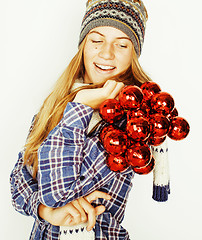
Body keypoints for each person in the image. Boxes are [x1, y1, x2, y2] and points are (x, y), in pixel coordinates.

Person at [10, 0, 170, 239]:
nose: (106, 53)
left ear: (133, 56)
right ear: (83, 45)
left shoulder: (130, 124)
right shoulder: (57, 104)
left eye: (122, 45)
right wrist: (45, 212)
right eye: (96, 40)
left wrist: (81, 107)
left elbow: (59, 192)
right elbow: (18, 182)